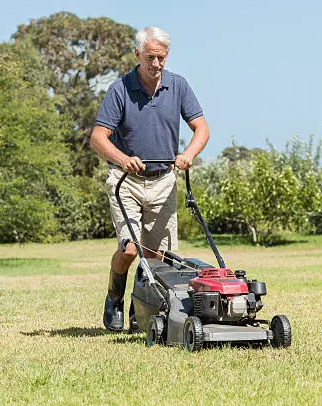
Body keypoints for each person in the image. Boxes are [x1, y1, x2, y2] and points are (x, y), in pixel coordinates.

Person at [90, 26, 209, 332]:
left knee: (157, 258)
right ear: (137, 55)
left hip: (163, 180)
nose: (156, 64)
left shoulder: (178, 86)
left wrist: (188, 155)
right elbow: (98, 138)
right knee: (131, 249)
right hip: (125, 180)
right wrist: (122, 159)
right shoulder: (120, 89)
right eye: (151, 57)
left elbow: (202, 129)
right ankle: (113, 298)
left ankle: (139, 308)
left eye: (162, 58)